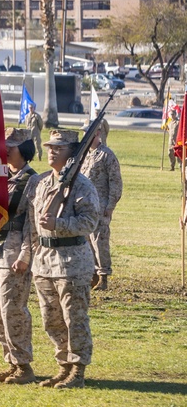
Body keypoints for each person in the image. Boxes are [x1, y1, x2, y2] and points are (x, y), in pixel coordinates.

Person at [28, 129, 101, 389]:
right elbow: (32, 225)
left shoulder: (83, 185)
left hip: (71, 262)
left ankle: (78, 371)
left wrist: (59, 223)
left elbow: (90, 221)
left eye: (58, 148)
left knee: (75, 318)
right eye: (50, 147)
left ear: (73, 154)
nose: (51, 151)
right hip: (44, 261)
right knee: (51, 319)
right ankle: (63, 366)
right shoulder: (43, 182)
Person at [0, 128, 41, 384]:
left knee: (12, 309)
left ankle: (24, 364)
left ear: (25, 149)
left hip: (15, 251)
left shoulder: (33, 181)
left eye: (12, 146)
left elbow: (33, 224)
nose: (5, 149)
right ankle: (10, 361)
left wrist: (26, 255)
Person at [79, 122, 123, 292]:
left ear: (97, 134)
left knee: (99, 241)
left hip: (101, 205)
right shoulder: (85, 155)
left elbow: (116, 183)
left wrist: (110, 205)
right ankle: (93, 274)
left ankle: (103, 276)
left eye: (88, 133)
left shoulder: (106, 155)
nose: (85, 136)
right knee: (87, 241)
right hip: (85, 206)